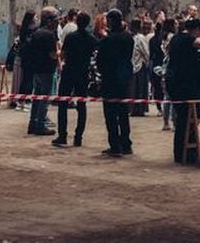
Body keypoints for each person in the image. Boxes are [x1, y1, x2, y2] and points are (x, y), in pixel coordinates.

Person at [166, 17, 200, 164]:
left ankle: (191, 147)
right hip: (183, 85)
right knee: (185, 119)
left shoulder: (176, 38)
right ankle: (182, 152)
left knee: (189, 118)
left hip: (177, 83)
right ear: (196, 29)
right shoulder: (186, 38)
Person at [53, 11, 97, 148]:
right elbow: (95, 53)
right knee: (82, 105)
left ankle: (62, 135)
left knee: (63, 103)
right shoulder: (91, 38)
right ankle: (78, 137)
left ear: (77, 22)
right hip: (82, 72)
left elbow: (63, 54)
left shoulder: (71, 37)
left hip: (69, 71)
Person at [97, 9, 136, 157]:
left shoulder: (107, 40)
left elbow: (101, 61)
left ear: (111, 21)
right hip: (125, 78)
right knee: (123, 113)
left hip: (110, 79)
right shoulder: (128, 38)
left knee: (111, 114)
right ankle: (126, 144)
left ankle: (115, 145)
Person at [26, 7, 59, 136]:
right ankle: (40, 125)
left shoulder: (37, 32)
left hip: (37, 69)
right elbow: (52, 54)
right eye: (55, 21)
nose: (57, 24)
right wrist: (60, 54)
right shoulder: (49, 35)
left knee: (36, 97)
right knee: (44, 99)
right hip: (46, 70)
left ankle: (32, 124)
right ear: (49, 21)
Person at [148, 17, 172, 127]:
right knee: (167, 93)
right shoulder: (169, 38)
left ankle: (160, 110)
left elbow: (150, 54)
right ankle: (170, 118)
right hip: (166, 65)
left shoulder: (152, 40)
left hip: (156, 64)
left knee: (157, 88)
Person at [11, 8, 36, 112]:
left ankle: (20, 102)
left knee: (24, 79)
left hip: (24, 57)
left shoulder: (23, 28)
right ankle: (27, 102)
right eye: (35, 16)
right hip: (30, 57)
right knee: (29, 80)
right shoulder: (32, 29)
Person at [129, 18, 150, 117]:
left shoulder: (140, 38)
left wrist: (146, 62)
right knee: (134, 88)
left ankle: (140, 109)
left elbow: (145, 52)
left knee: (140, 88)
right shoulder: (131, 37)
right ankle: (134, 109)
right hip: (133, 64)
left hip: (140, 65)